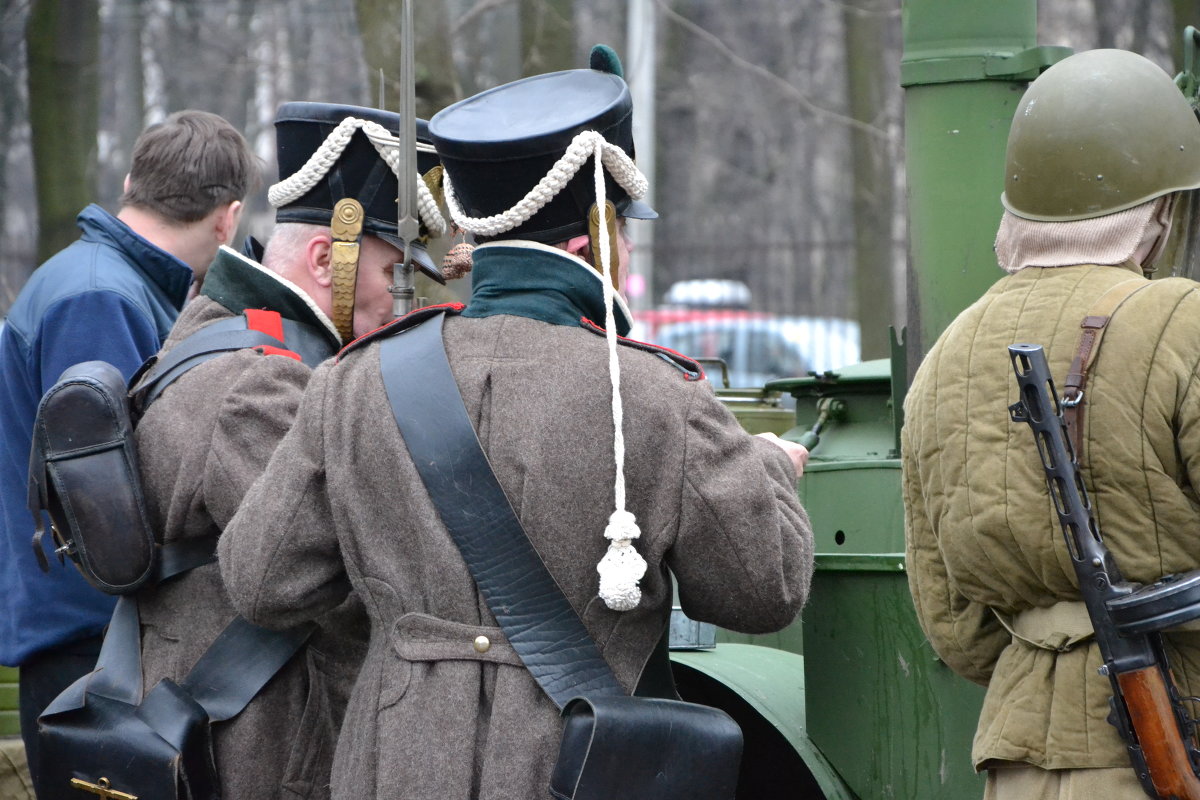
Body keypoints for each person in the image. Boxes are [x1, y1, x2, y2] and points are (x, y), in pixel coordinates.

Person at [218, 47, 814, 800]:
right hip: (583, 768)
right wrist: (767, 472)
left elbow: (262, 580)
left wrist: (412, 605)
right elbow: (764, 591)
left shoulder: (351, 384)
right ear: (589, 241)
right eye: (624, 233)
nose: (626, 252)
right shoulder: (662, 397)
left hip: (392, 769)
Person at [903, 49, 1200, 800]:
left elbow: (955, 628)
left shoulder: (946, 356)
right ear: (1162, 210)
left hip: (1020, 757)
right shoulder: (1183, 322)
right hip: (1177, 743)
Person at [130, 101, 447, 799]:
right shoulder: (266, 379)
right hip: (257, 742)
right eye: (391, 268)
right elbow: (318, 579)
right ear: (324, 257)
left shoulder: (222, 330)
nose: (400, 297)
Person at [0, 109, 255, 786]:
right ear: (227, 219)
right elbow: (111, 514)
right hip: (90, 648)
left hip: (101, 640)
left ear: (129, 182)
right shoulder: (99, 298)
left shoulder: (106, 282)